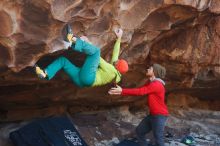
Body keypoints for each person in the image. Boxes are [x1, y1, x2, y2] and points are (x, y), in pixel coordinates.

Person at [35, 25, 128, 87]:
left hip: (89, 78)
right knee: (63, 61)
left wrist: (87, 42)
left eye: (117, 62)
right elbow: (116, 53)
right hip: (80, 81)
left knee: (96, 52)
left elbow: (98, 59)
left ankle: (72, 41)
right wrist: (119, 38)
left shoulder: (111, 71)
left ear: (117, 67)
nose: (116, 60)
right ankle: (46, 73)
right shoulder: (115, 68)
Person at [108, 64, 168, 146]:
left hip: (160, 115)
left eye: (150, 68)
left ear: (155, 72)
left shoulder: (157, 84)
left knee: (158, 139)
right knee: (139, 131)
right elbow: (140, 90)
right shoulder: (152, 83)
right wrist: (120, 91)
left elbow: (140, 91)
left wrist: (122, 91)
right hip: (152, 115)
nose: (147, 69)